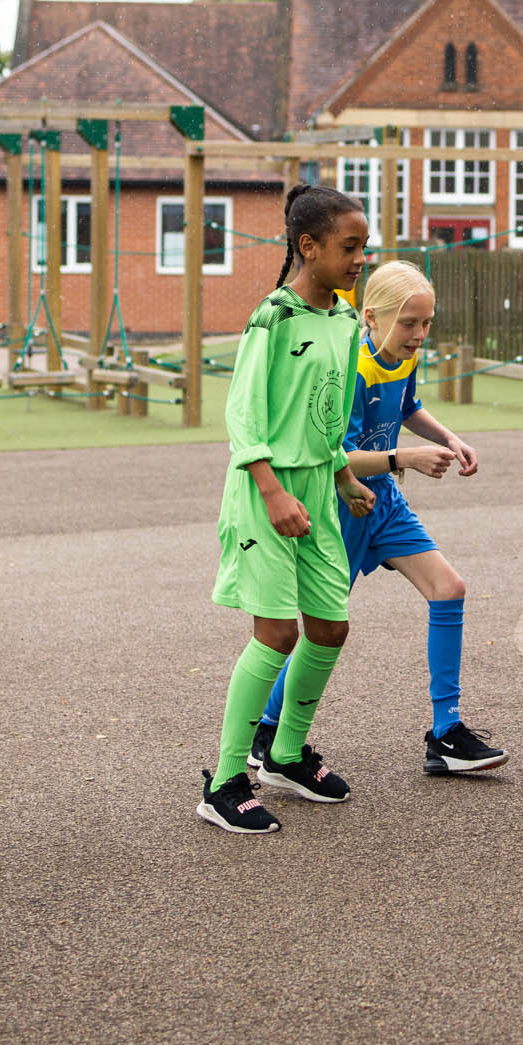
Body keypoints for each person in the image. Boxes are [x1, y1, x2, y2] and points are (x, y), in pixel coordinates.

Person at [250, 260, 508, 777]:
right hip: (339, 508)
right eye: (409, 323)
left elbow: (408, 406)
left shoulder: (403, 358)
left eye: (427, 323)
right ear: (370, 317)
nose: (419, 335)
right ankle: (269, 729)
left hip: (383, 503)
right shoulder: (351, 367)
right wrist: (405, 458)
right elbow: (335, 455)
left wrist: (448, 439)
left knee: (449, 588)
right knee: (322, 628)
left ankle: (446, 733)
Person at [199, 183, 378, 834]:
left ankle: (284, 753)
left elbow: (324, 415)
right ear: (309, 246)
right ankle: (223, 781)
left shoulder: (345, 319)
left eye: (364, 247)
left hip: (317, 491)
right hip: (263, 490)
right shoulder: (271, 316)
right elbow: (244, 416)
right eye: (349, 247)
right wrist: (274, 493)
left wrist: (341, 477)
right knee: (276, 633)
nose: (361, 258)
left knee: (330, 628)